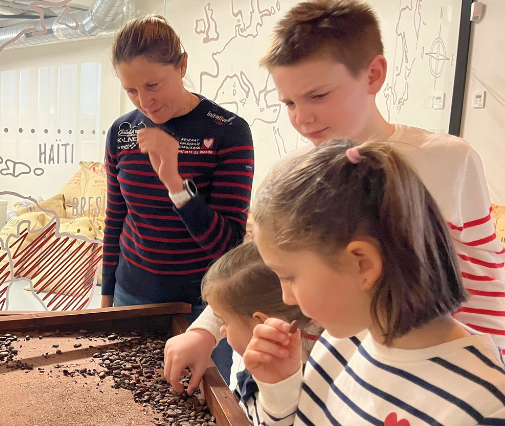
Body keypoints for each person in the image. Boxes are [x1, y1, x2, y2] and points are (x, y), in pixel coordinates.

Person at [165, 0, 505, 391]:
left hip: (420, 384)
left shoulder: (449, 160)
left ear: (373, 74)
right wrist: (206, 330)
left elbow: (484, 285)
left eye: (318, 95)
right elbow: (257, 269)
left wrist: (485, 375)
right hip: (312, 381)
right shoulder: (289, 173)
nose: (302, 117)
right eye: (289, 103)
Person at [246, 139, 505, 424]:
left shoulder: (485, 407)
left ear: (363, 264)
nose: (287, 298)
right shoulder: (337, 343)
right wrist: (281, 391)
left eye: (288, 277)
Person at [102, 15, 254, 383]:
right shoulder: (122, 132)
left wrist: (174, 182)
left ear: (182, 65)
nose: (145, 102)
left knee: (194, 400)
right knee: (126, 394)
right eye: (131, 90)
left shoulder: (228, 132)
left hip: (202, 308)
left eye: (153, 84)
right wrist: (106, 300)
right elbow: (115, 219)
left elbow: (228, 245)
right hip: (130, 296)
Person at [195, 242, 319, 424]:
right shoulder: (265, 363)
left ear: (261, 323)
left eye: (224, 322)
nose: (221, 330)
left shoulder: (309, 391)